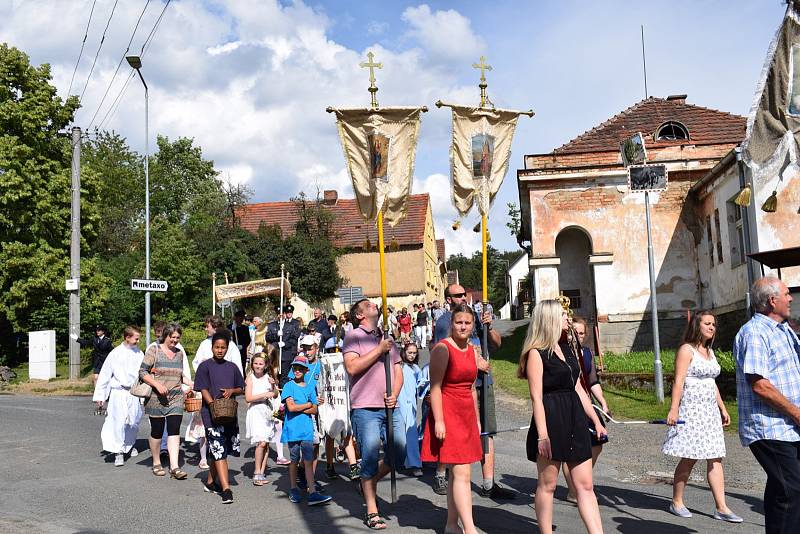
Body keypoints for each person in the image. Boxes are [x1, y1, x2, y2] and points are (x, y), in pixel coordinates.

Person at [519, 299, 606, 534]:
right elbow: (536, 397)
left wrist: (596, 421)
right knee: (547, 485)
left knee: (585, 485)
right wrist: (543, 435)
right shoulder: (536, 354)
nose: (568, 319)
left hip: (575, 417)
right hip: (551, 418)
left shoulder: (567, 348)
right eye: (563, 316)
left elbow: (578, 388)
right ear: (550, 320)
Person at [432, 283, 513, 500]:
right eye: (457, 295)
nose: (463, 298)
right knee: (451, 433)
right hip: (457, 387)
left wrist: (489, 327)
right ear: (449, 299)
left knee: (487, 430)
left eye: (464, 294)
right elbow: (443, 352)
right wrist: (472, 360)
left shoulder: (477, 317)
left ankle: (488, 483)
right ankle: (441, 473)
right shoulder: (444, 323)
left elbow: (497, 344)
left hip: (482, 383)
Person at [734, 277, 800, 534]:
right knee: (791, 488)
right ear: (773, 301)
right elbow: (759, 384)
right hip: (769, 426)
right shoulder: (755, 333)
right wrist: (796, 413)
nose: (791, 298)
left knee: (783, 488)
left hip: (788, 425)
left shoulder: (782, 329)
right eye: (787, 294)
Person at [662, 310, 741, 522]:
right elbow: (678, 381)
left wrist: (723, 408)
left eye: (713, 324)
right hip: (692, 410)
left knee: (715, 457)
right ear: (697, 326)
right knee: (690, 457)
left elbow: (711, 382)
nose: (712, 327)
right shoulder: (686, 350)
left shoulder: (710, 351)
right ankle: (676, 501)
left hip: (709, 412)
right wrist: (674, 408)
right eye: (707, 323)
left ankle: (721, 507)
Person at [343, 298, 405, 530]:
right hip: (365, 407)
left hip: (390, 406)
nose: (374, 306)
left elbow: (398, 371)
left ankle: (368, 482)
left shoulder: (386, 336)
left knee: (399, 453)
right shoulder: (353, 336)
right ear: (360, 315)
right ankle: (372, 510)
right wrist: (379, 350)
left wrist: (395, 394)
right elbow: (352, 367)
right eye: (368, 305)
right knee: (368, 457)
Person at [422, 304, 483, 534]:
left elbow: (472, 388)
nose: (463, 326)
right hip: (447, 413)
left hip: (466, 414)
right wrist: (438, 420)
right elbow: (435, 388)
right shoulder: (442, 349)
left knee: (458, 473)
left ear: (473, 324)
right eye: (459, 322)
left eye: (467, 322)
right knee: (462, 473)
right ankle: (470, 529)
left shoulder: (471, 350)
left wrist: (476, 419)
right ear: (452, 323)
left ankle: (451, 524)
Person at [562, 316, 610, 503]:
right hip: (570, 404)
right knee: (572, 449)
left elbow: (592, 382)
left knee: (598, 442)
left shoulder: (587, 353)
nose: (578, 336)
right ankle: (574, 490)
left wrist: (603, 403)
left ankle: (582, 480)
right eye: (575, 332)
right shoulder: (563, 353)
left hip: (587, 404)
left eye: (582, 333)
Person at [186, 316, 243, 469]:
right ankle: (205, 458)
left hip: (227, 402)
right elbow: (198, 364)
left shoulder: (232, 348)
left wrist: (232, 388)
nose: (206, 329)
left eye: (207, 326)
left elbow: (238, 373)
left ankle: (213, 477)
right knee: (208, 431)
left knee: (223, 442)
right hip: (208, 392)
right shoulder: (205, 344)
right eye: (216, 347)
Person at [194, 331, 245, 504]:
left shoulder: (232, 367)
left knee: (220, 449)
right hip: (211, 415)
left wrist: (232, 391)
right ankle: (226, 489)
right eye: (217, 347)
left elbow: (241, 387)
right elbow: (203, 388)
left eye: (223, 347)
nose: (220, 350)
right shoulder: (205, 366)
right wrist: (212, 405)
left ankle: (209, 482)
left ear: (227, 348)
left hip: (229, 414)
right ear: (212, 347)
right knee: (219, 450)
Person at [139, 322, 193, 480]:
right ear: (165, 336)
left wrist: (188, 382)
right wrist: (156, 384)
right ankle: (156, 462)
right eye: (172, 337)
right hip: (156, 397)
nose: (175, 340)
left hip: (175, 396)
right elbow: (142, 372)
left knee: (174, 430)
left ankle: (174, 467)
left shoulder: (180, 353)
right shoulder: (153, 350)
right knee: (157, 431)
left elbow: (180, 373)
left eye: (177, 337)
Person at [281, 355, 332, 506]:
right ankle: (293, 488)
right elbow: (291, 407)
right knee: (294, 460)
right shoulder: (288, 386)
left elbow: (315, 410)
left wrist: (302, 406)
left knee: (308, 461)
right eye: (295, 368)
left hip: (307, 430)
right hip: (292, 430)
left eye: (300, 368)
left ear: (305, 370)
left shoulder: (310, 387)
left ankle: (312, 492)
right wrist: (307, 404)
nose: (297, 371)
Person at [92, 326, 144, 467]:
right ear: (127, 337)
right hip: (118, 392)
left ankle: (129, 444)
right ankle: (118, 451)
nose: (138, 341)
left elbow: (143, 374)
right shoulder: (115, 353)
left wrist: (143, 396)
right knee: (118, 422)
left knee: (133, 421)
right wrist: (101, 395)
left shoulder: (139, 353)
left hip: (134, 392)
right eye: (136, 338)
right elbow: (105, 375)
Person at [245, 350, 279, 486]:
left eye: (261, 364)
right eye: (256, 363)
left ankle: (262, 471)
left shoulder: (268, 376)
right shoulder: (250, 378)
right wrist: (264, 394)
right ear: (252, 364)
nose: (258, 366)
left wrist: (272, 385)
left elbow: (275, 394)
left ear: (265, 365)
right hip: (255, 411)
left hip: (267, 411)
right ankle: (257, 472)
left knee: (266, 443)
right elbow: (248, 398)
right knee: (261, 442)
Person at [398, 342, 423, 476]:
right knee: (403, 435)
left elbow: (420, 387)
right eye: (410, 353)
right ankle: (411, 462)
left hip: (411, 405)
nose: (412, 355)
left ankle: (413, 462)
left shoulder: (416, 368)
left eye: (414, 353)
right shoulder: (399, 367)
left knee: (411, 434)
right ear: (404, 352)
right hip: (400, 403)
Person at [266, 304, 302, 384]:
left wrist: (285, 344)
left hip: (286, 356)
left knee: (284, 377)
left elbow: (293, 340)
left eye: (282, 314)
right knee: (273, 375)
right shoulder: (272, 325)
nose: (280, 316)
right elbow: (267, 338)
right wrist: (276, 335)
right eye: (279, 314)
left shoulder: (290, 326)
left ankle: (283, 394)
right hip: (275, 355)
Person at [76, 324, 114, 393]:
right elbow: (86, 343)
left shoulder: (107, 341)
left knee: (106, 379)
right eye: (97, 330)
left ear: (103, 331)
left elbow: (112, 351)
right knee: (95, 378)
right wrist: (77, 339)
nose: (97, 331)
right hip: (97, 361)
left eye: (99, 330)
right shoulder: (95, 339)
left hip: (105, 362)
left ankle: (107, 393)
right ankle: (98, 393)